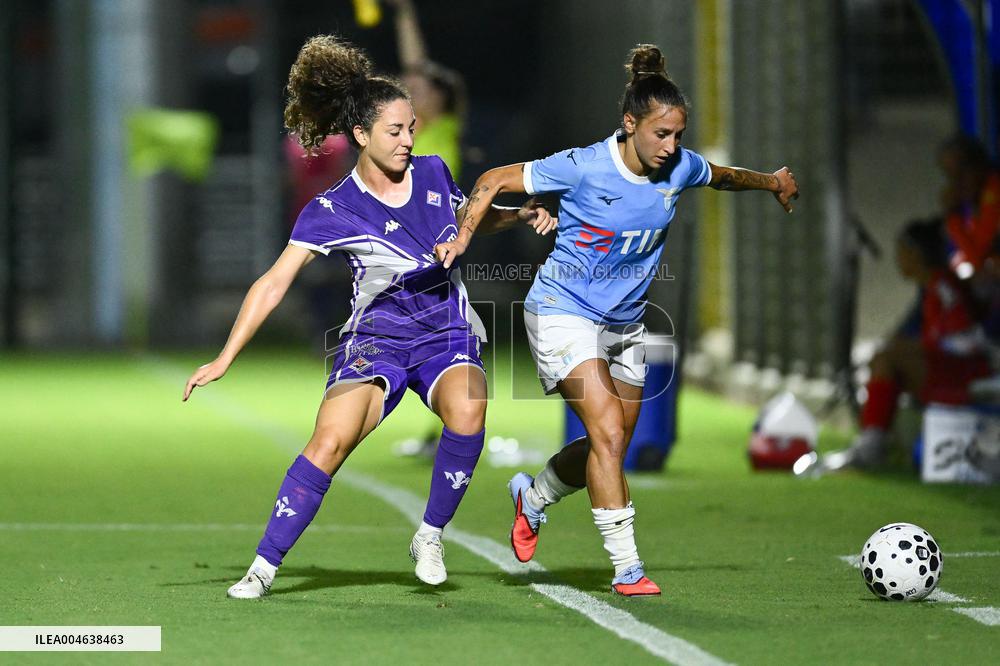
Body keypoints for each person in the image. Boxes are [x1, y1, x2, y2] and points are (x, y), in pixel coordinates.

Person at [183, 35, 553, 598]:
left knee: (470, 408)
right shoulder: (332, 209)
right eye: (395, 131)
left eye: (410, 128)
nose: (409, 140)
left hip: (444, 331)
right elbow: (274, 281)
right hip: (375, 339)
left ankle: (429, 535)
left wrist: (518, 214)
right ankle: (263, 567)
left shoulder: (431, 173)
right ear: (361, 135)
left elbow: (469, 218)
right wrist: (225, 356)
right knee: (328, 442)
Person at [434, 44, 799, 596]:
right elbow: (492, 179)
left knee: (611, 447)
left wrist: (771, 182)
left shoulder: (679, 167)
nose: (671, 146)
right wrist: (463, 235)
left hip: (626, 325)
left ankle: (532, 499)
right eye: (661, 134)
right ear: (630, 125)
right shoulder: (582, 166)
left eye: (677, 135)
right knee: (604, 431)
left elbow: (722, 176)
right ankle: (627, 566)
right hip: (561, 312)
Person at [839, 218, 990, 468]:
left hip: (964, 372)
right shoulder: (929, 289)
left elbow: (964, 342)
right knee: (884, 356)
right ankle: (876, 441)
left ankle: (873, 446)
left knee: (886, 359)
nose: (898, 259)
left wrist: (914, 348)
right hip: (945, 367)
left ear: (916, 253)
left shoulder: (944, 286)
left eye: (901, 251)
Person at [387, 0, 465, 179]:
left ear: (439, 97)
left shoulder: (446, 127)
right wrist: (404, 10)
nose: (407, 97)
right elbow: (414, 65)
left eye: (413, 90)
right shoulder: (408, 129)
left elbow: (416, 65)